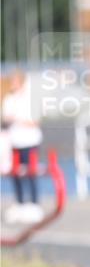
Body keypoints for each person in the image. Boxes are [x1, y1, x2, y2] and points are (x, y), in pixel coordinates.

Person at [2, 70, 44, 223]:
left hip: (30, 141)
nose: (13, 84)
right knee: (15, 173)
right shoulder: (8, 99)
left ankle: (34, 204)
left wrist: (18, 119)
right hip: (14, 142)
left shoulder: (30, 99)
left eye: (15, 81)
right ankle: (19, 203)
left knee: (30, 172)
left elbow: (36, 121)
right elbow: (5, 120)